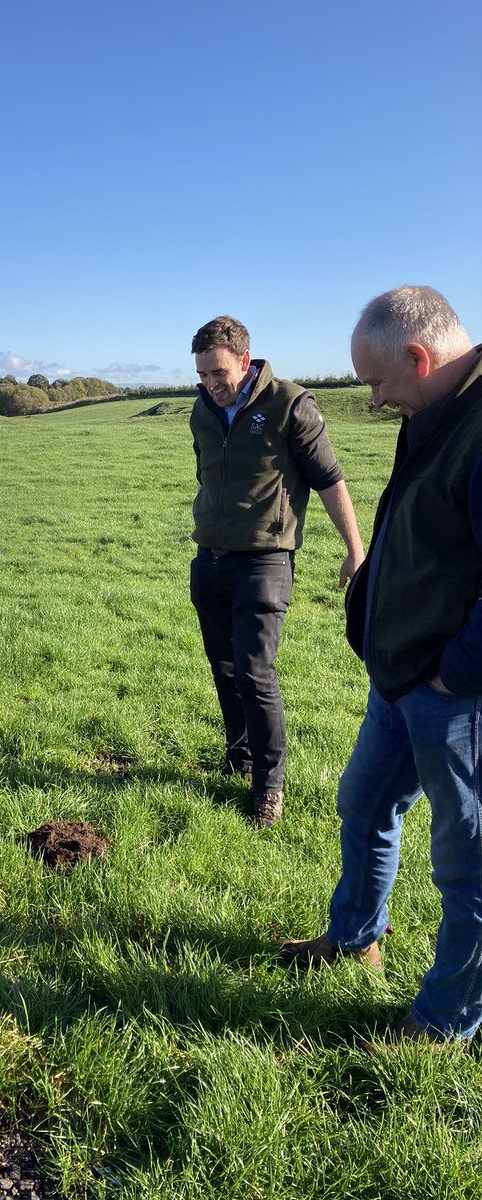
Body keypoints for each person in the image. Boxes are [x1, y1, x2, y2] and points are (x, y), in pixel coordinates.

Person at [282, 286, 482, 1043]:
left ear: (419, 357)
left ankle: (446, 1019)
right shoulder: (436, 410)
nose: (373, 398)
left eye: (376, 382)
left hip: (455, 691)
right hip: (400, 675)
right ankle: (355, 936)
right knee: (365, 804)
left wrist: (455, 672)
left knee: (467, 864)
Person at [189, 316, 364, 827]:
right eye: (202, 375)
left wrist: (355, 550)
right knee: (223, 667)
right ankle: (240, 757)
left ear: (245, 360)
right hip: (210, 559)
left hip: (265, 561)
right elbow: (206, 471)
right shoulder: (201, 410)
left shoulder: (290, 404)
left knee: (254, 671)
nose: (210, 384)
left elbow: (329, 478)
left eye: (218, 373)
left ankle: (269, 787)